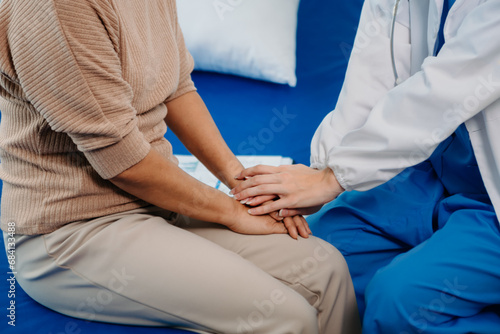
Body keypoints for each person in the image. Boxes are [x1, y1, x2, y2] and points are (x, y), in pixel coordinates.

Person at [0, 1, 362, 333]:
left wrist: (246, 186)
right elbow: (122, 160)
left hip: (157, 203)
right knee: (285, 317)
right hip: (73, 229)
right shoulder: (58, 8)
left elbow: (176, 87)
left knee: (325, 268)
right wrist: (231, 212)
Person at [231, 0, 500, 332]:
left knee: (397, 300)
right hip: (433, 172)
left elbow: (444, 90)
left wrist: (335, 178)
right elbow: (374, 68)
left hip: (492, 200)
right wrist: (322, 169)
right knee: (317, 252)